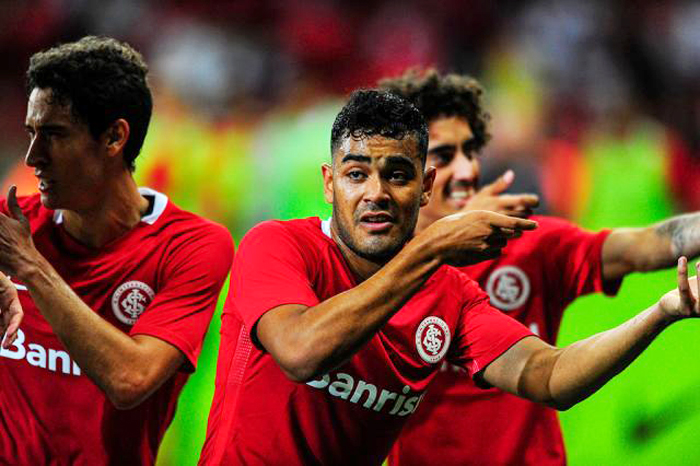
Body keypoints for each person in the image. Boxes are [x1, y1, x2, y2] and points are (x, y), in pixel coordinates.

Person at [199, 89, 700, 465]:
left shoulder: (453, 294)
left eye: (397, 175)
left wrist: (663, 312)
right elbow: (301, 351)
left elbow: (549, 376)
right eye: (356, 175)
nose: (375, 192)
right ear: (329, 184)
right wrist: (432, 247)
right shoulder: (278, 245)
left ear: (423, 187)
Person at [380, 69, 700, 465]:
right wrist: (442, 242)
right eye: (445, 157)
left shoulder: (529, 244)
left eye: (471, 151)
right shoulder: (375, 273)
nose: (467, 171)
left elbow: (648, 245)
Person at [0, 36, 234, 465]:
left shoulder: (191, 246)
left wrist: (30, 268)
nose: (33, 156)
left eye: (53, 135)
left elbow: (131, 379)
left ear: (114, 137)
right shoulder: (12, 224)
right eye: (31, 134)